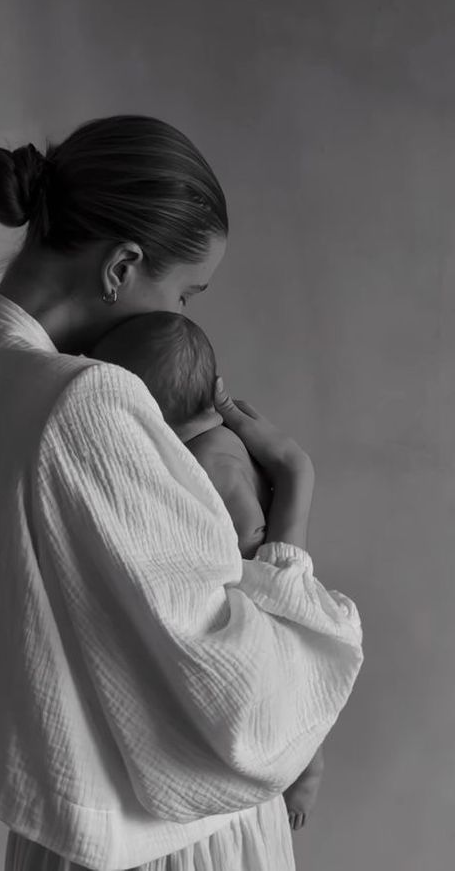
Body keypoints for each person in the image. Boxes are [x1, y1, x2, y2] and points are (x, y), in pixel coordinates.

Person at [0, 115, 363, 871]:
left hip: (74, 835)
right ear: (121, 266)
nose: (183, 321)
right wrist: (292, 509)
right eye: (186, 294)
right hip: (175, 841)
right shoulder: (86, 402)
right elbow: (240, 709)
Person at [89, 310, 326, 831]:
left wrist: (240, 556)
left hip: (262, 580)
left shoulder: (211, 454)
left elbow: (249, 526)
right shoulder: (213, 444)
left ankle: (306, 770)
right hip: (260, 586)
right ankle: (303, 762)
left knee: (283, 696)